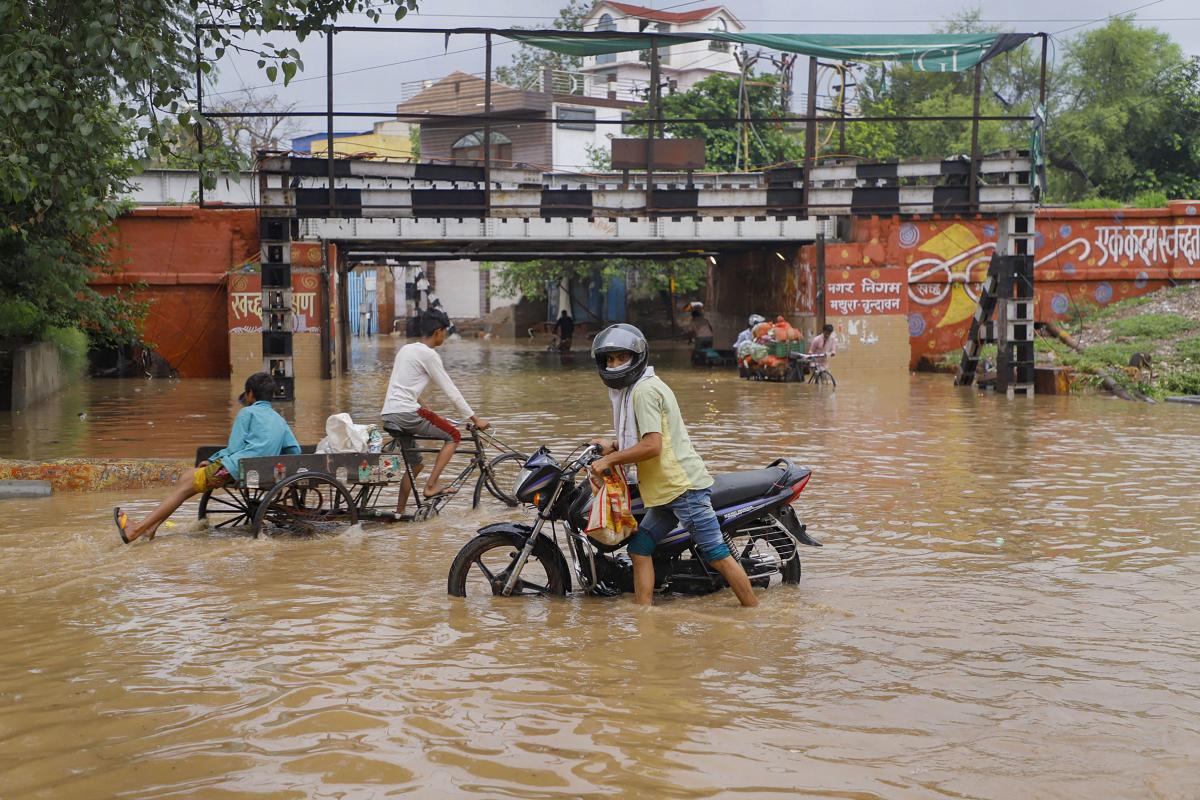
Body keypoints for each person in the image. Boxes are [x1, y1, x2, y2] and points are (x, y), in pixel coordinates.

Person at [587, 324, 758, 607]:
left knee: (717, 555)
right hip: (665, 492)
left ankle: (754, 612)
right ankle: (645, 615)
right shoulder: (637, 388)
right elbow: (645, 436)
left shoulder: (643, 392)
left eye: (621, 358)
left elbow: (653, 445)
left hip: (683, 489)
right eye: (610, 359)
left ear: (636, 358)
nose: (614, 365)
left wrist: (609, 459)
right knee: (640, 549)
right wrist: (613, 445)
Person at [113, 372, 300, 544]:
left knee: (185, 485)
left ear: (250, 394)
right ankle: (151, 527)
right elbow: (294, 450)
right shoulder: (280, 419)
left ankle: (137, 529)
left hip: (236, 468)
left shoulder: (247, 413)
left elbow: (234, 448)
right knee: (188, 477)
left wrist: (211, 460)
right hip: (257, 470)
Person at [381, 308, 489, 515]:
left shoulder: (406, 350)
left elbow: (401, 384)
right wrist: (475, 418)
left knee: (415, 464)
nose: (445, 336)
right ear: (438, 331)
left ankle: (399, 513)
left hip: (391, 413)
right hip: (406, 413)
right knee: (453, 435)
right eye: (445, 332)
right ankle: (431, 486)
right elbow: (451, 391)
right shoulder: (429, 355)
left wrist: (422, 403)